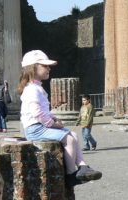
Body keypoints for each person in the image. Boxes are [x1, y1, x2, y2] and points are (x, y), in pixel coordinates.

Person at [17, 50, 102, 187]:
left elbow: (43, 111)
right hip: (34, 129)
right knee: (68, 137)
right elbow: (37, 113)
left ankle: (82, 166)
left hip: (39, 126)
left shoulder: (36, 88)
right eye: (45, 66)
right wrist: (53, 124)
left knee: (73, 134)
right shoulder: (32, 89)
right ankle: (70, 175)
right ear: (33, 68)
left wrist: (53, 118)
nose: (49, 68)